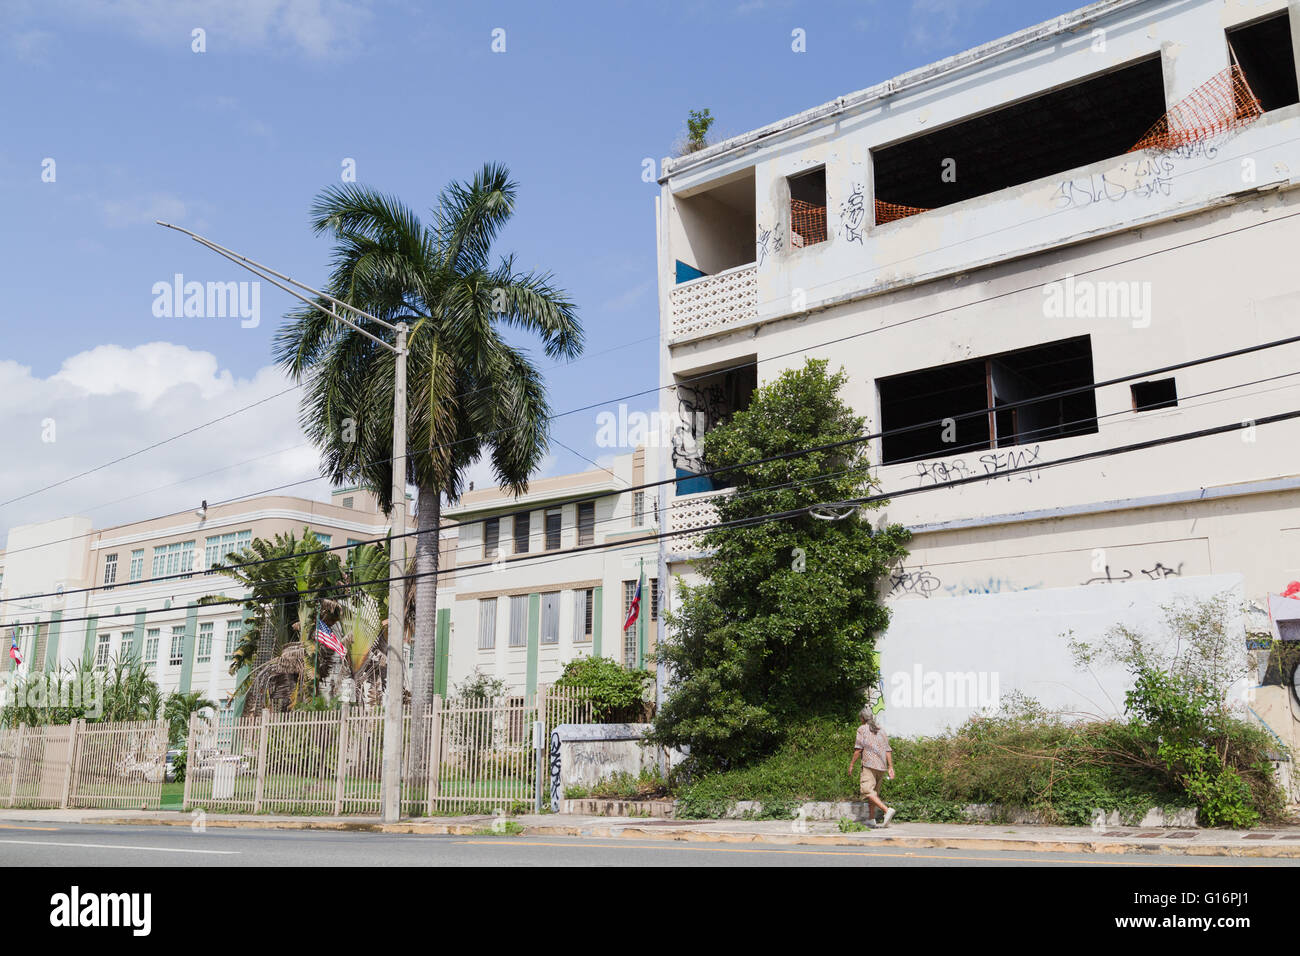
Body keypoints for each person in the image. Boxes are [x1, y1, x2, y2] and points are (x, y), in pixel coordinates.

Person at [849, 707, 895, 827]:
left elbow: (858, 749)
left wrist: (852, 764)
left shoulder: (862, 729)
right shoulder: (881, 730)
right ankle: (871, 818)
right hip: (882, 765)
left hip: (869, 765)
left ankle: (887, 810)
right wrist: (890, 767)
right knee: (873, 794)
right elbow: (888, 750)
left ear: (862, 718)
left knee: (867, 791)